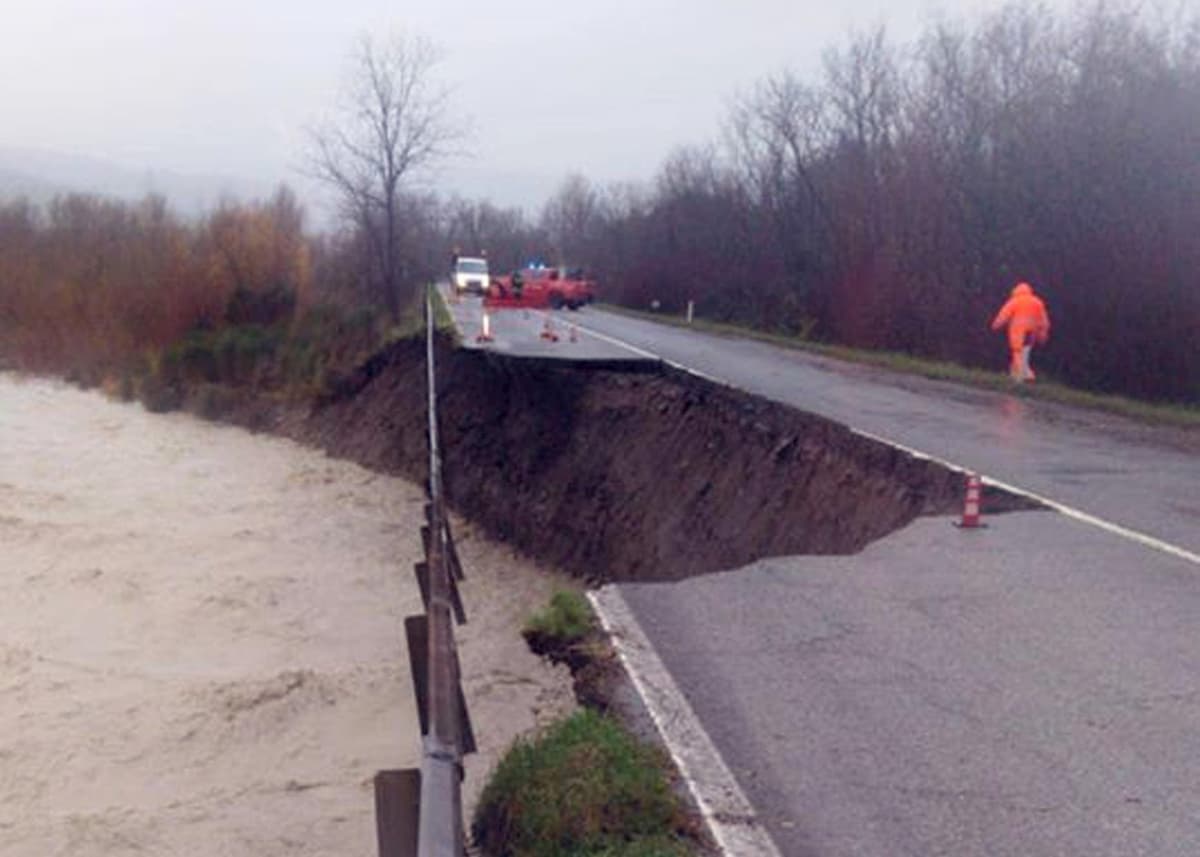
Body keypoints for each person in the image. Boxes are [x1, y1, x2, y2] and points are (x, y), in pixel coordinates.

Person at [991, 281, 1051, 382]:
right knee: (1025, 353)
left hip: (1018, 331)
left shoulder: (1015, 301)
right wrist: (1042, 334)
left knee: (1017, 352)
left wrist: (995, 325)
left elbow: (1004, 315)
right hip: (1031, 332)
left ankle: (1020, 376)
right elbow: (1043, 320)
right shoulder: (1037, 302)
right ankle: (1024, 375)